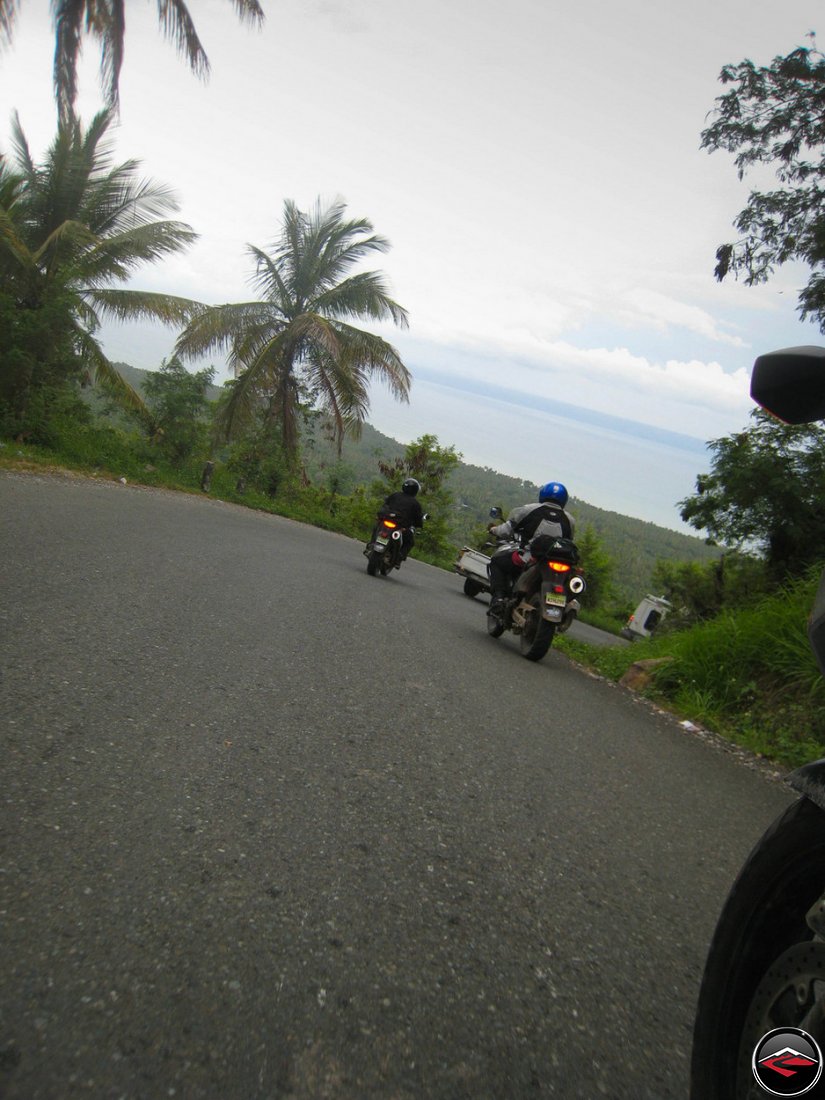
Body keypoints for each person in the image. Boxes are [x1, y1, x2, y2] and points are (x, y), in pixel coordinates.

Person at [487, 481, 575, 614]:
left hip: (529, 559)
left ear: (543, 495)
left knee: (497, 562)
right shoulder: (570, 520)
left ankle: (498, 598)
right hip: (557, 565)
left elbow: (506, 530)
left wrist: (493, 529)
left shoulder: (530, 509)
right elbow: (569, 540)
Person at [380, 478, 425, 559]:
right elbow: (418, 518)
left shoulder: (395, 495)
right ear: (415, 490)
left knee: (377, 528)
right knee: (409, 542)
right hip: (400, 526)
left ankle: (372, 543)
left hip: (386, 519)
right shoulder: (415, 504)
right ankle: (399, 557)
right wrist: (419, 525)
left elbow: (386, 504)